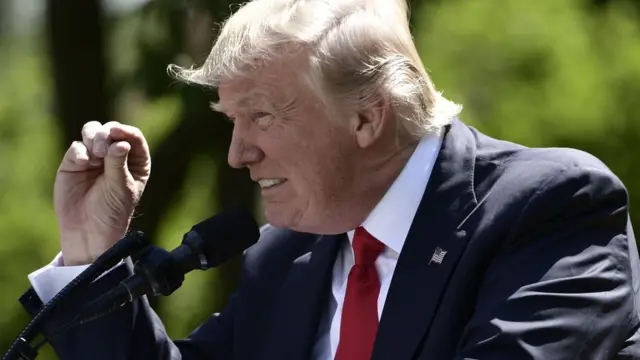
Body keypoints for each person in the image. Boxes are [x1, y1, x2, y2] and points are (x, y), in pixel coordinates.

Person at [18, 0, 639, 359]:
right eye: (232, 121)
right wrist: (92, 250)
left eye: (260, 115)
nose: (237, 154)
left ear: (367, 117)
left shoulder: (550, 208)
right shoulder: (286, 256)